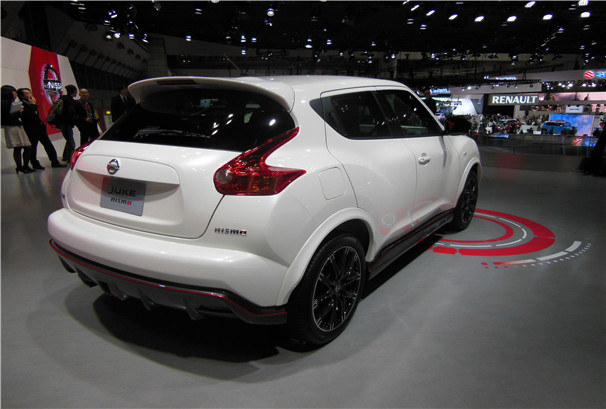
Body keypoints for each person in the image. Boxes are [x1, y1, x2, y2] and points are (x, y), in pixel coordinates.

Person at [16, 87, 65, 168]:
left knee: (48, 145)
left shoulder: (30, 103)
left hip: (40, 127)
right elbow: (29, 114)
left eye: (30, 93)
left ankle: (54, 161)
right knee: (33, 147)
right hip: (31, 129)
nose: (30, 95)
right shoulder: (21, 105)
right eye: (27, 93)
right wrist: (33, 104)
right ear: (21, 96)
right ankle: (34, 163)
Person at [1, 85, 35, 173]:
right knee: (25, 147)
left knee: (18, 148)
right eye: (14, 92)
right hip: (13, 127)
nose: (15, 94)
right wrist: (19, 112)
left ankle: (21, 167)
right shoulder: (5, 104)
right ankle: (24, 166)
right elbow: (8, 117)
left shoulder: (7, 103)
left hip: (13, 126)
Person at [57, 84, 81, 162]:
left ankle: (65, 156)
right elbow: (71, 113)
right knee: (71, 142)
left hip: (62, 123)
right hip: (67, 123)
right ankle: (70, 159)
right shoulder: (69, 101)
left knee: (68, 139)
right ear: (74, 91)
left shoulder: (63, 98)